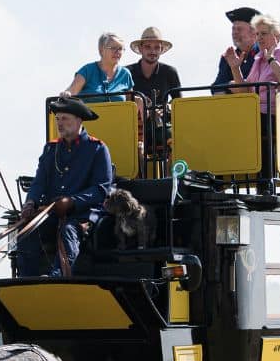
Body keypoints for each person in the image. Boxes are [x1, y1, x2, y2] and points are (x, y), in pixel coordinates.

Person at [16, 97, 114, 278]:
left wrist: (72, 202)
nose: (60, 124)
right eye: (58, 119)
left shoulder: (98, 149)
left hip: (83, 213)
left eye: (65, 119)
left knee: (68, 229)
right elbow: (39, 182)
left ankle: (57, 277)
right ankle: (26, 279)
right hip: (52, 212)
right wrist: (31, 202)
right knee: (26, 232)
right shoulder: (50, 149)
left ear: (79, 121)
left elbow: (101, 189)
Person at [224, 13, 280, 188]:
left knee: (259, 127)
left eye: (263, 33)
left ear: (276, 36)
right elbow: (245, 90)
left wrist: (272, 59)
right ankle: (224, 179)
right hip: (258, 112)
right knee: (226, 124)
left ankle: (265, 184)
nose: (259, 38)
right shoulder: (258, 59)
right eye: (257, 34)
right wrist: (235, 68)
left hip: (278, 113)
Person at [61, 33, 132, 103]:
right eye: (113, 48)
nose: (118, 52)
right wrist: (66, 93)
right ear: (101, 50)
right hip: (87, 114)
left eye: (120, 48)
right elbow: (72, 91)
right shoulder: (87, 70)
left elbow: (131, 104)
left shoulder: (125, 74)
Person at [126, 27, 181, 108]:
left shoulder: (170, 72)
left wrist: (167, 109)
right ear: (140, 49)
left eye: (157, 47)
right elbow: (120, 102)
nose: (153, 51)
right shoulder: (126, 73)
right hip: (134, 120)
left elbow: (179, 102)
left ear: (161, 49)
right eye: (148, 47)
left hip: (164, 120)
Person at [211, 7, 260, 95]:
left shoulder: (263, 54)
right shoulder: (227, 57)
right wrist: (231, 85)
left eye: (239, 29)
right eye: (233, 29)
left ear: (254, 32)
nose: (235, 32)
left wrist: (238, 86)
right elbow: (216, 88)